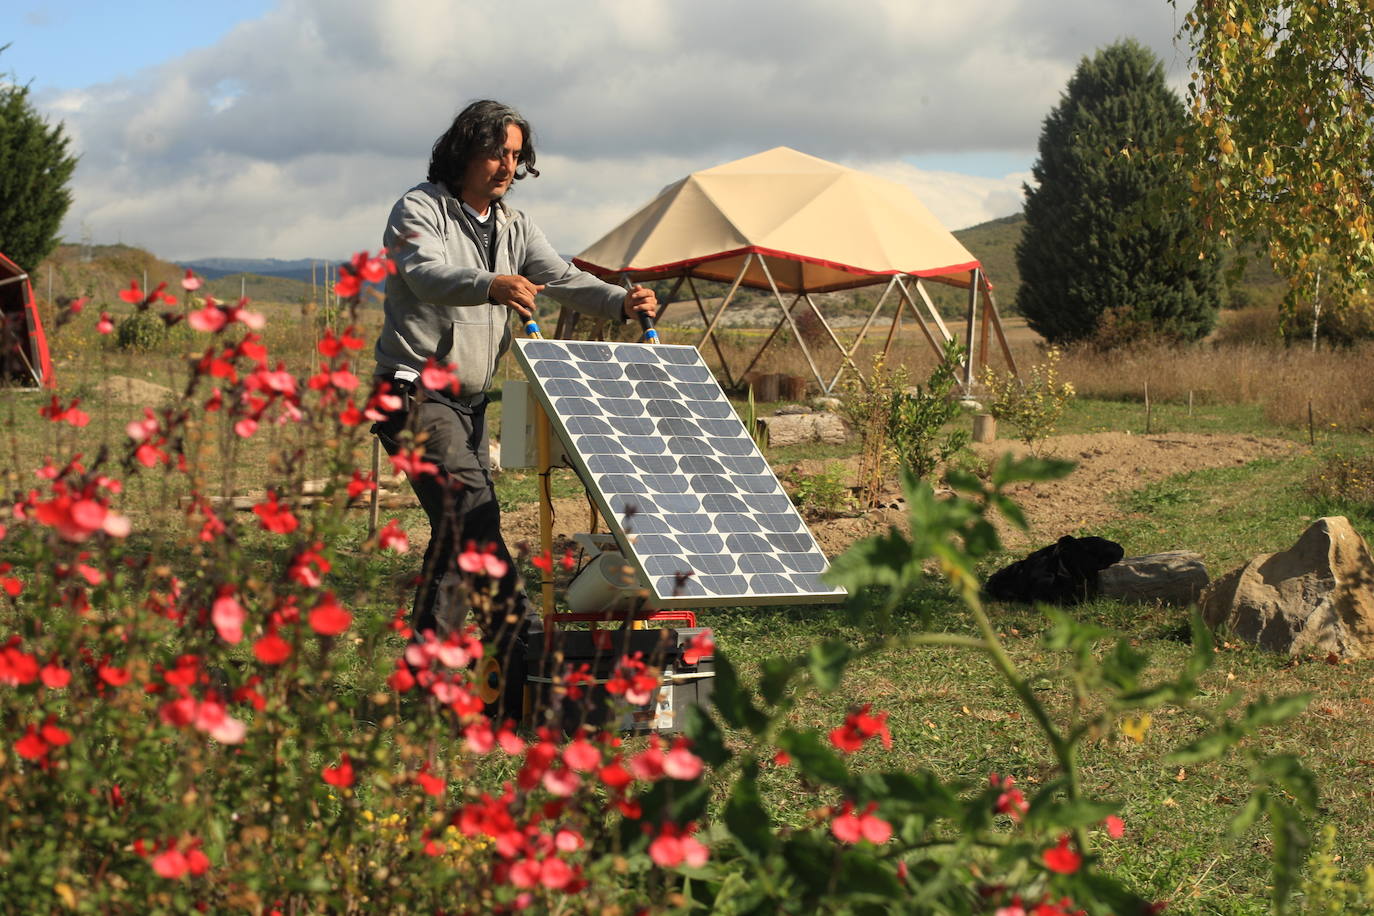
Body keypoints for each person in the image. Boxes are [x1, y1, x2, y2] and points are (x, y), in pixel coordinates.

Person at [372, 99, 657, 670]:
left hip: (470, 406)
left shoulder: (515, 224)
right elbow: (424, 274)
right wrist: (490, 284)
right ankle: (526, 653)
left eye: (516, 155)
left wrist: (621, 303)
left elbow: (563, 277)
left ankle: (428, 673)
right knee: (473, 516)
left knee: (458, 535)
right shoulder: (418, 209)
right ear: (463, 150)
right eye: (496, 152)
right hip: (413, 394)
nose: (507, 166)